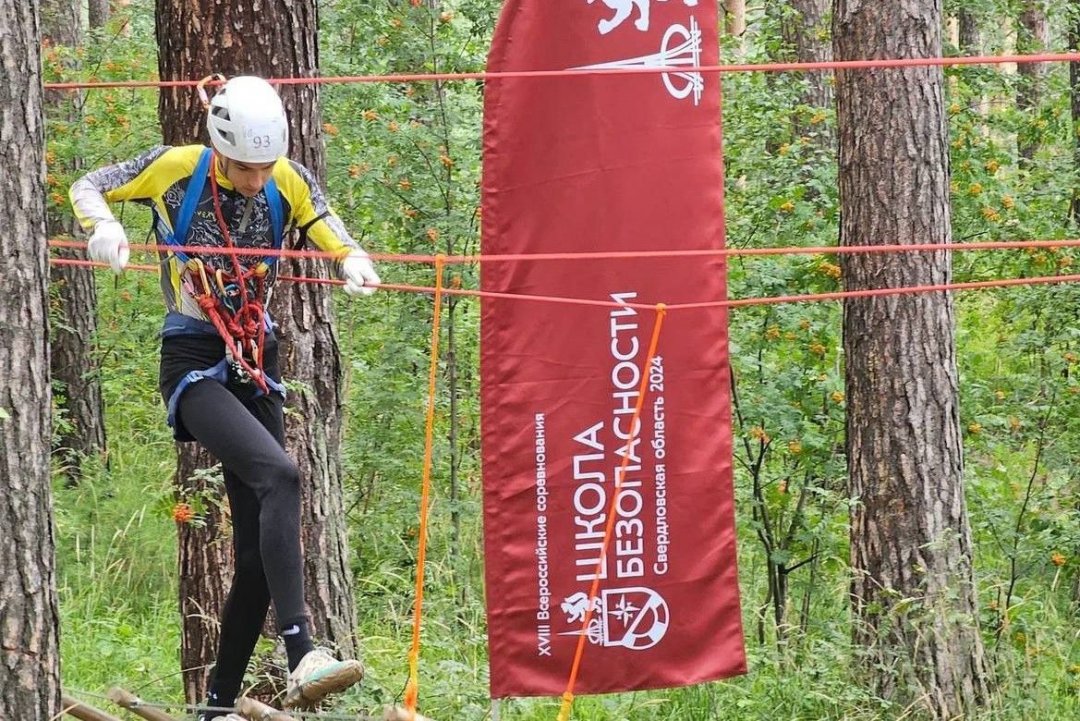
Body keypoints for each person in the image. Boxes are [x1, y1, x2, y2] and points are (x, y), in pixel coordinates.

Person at [69, 75, 377, 719]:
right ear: (220, 149)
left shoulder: (285, 179)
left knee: (256, 557)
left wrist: (349, 257)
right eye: (243, 167)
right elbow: (88, 183)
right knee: (281, 476)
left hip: (254, 361)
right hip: (192, 359)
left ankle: (216, 706)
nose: (254, 179)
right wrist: (102, 227)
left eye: (264, 166)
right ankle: (303, 656)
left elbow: (324, 221)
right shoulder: (179, 168)